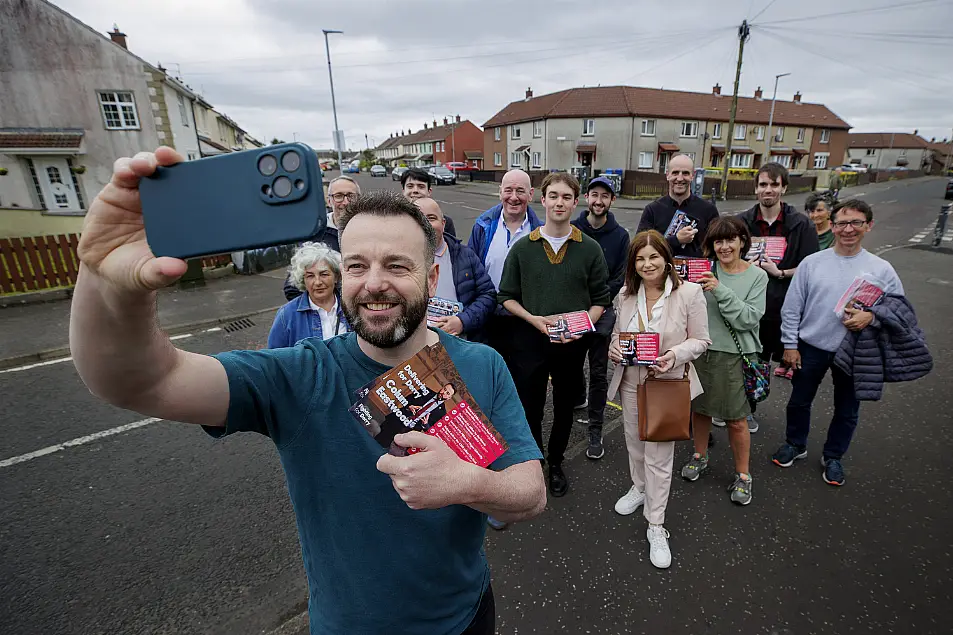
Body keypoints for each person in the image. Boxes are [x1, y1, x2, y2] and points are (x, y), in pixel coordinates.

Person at [69, 147, 546, 635]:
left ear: (431, 276)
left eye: (397, 267)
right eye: (357, 266)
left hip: (465, 619)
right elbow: (139, 381)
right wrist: (106, 280)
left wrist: (468, 483)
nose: (374, 283)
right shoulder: (299, 375)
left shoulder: (481, 364)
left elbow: (530, 494)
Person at [773, 199, 904, 486]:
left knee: (847, 408)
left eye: (856, 222)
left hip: (857, 350)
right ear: (832, 226)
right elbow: (792, 307)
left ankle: (833, 456)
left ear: (869, 226)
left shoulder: (881, 268)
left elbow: (898, 309)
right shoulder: (812, 263)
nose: (848, 229)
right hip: (812, 345)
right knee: (798, 401)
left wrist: (871, 317)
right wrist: (790, 345)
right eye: (842, 223)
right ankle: (795, 444)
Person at [497, 172, 611, 498]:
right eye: (554, 196)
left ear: (576, 203)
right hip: (530, 341)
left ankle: (557, 461)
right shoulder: (523, 249)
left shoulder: (589, 249)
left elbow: (601, 299)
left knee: (564, 406)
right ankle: (534, 461)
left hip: (572, 346)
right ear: (542, 200)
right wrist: (534, 320)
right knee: (530, 406)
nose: (559, 202)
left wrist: (580, 326)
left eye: (566, 197)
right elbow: (505, 296)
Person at [606, 230, 710, 569]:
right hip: (631, 382)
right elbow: (617, 337)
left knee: (660, 456)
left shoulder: (689, 293)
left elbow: (701, 340)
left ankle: (656, 523)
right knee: (634, 443)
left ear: (667, 258)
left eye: (653, 256)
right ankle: (639, 489)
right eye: (640, 259)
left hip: (668, 383)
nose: (647, 264)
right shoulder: (624, 295)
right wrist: (614, 349)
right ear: (633, 265)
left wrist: (675, 354)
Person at [467, 168, 543, 530]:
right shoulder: (483, 225)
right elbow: (471, 272)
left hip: (524, 320)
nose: (514, 197)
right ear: (500, 192)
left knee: (526, 393)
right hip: (488, 319)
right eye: (508, 190)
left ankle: (525, 466)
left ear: (531, 195)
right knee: (485, 393)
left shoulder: (539, 229)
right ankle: (487, 467)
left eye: (521, 191)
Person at [679, 217, 767, 506]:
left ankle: (743, 475)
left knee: (736, 419)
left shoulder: (757, 276)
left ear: (743, 241)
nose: (725, 246)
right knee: (700, 411)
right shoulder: (702, 270)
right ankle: (699, 456)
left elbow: (748, 319)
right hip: (701, 352)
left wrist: (719, 289)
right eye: (719, 241)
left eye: (731, 239)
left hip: (735, 354)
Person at [739, 162, 818, 402]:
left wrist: (780, 272)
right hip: (749, 306)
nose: (768, 190)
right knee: (747, 359)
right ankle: (745, 408)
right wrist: (745, 267)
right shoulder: (742, 222)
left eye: (774, 184)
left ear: (783, 188)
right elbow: (726, 259)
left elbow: (810, 268)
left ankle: (752, 405)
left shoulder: (801, 224)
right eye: (763, 184)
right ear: (756, 189)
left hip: (783, 307)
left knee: (766, 364)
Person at [571, 176, 631, 459]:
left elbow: (620, 277)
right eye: (594, 195)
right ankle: (576, 397)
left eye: (604, 196)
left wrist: (596, 303)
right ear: (586, 198)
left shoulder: (620, 236)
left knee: (598, 373)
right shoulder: (573, 229)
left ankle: (596, 428)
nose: (598, 201)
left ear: (612, 201)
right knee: (569, 368)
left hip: (602, 315)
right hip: (572, 313)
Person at [415, 198, 497, 338]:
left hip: (458, 343)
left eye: (431, 218)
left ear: (443, 223)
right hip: (414, 345)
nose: (425, 224)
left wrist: (462, 321)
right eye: (418, 219)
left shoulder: (466, 256)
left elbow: (488, 295)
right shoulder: (397, 260)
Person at [282, 175, 358, 300]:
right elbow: (292, 288)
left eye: (351, 196)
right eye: (338, 196)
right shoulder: (314, 234)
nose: (345, 202)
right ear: (329, 201)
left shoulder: (372, 233)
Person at [637, 154, 719, 259]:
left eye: (685, 173)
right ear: (667, 175)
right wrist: (676, 240)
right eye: (675, 173)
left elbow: (718, 245)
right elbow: (640, 246)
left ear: (692, 175)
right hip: (662, 273)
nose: (680, 178)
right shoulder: (652, 210)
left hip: (697, 272)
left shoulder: (708, 210)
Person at [269, 242, 350, 348]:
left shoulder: (351, 307)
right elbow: (275, 358)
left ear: (336, 277)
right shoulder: (287, 315)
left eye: (324, 274)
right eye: (310, 276)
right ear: (303, 280)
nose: (318, 282)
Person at [401, 167, 456, 236]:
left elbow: (451, 245)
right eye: (410, 186)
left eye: (421, 186)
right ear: (403, 191)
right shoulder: (393, 219)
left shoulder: (446, 222)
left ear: (429, 192)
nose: (415, 190)